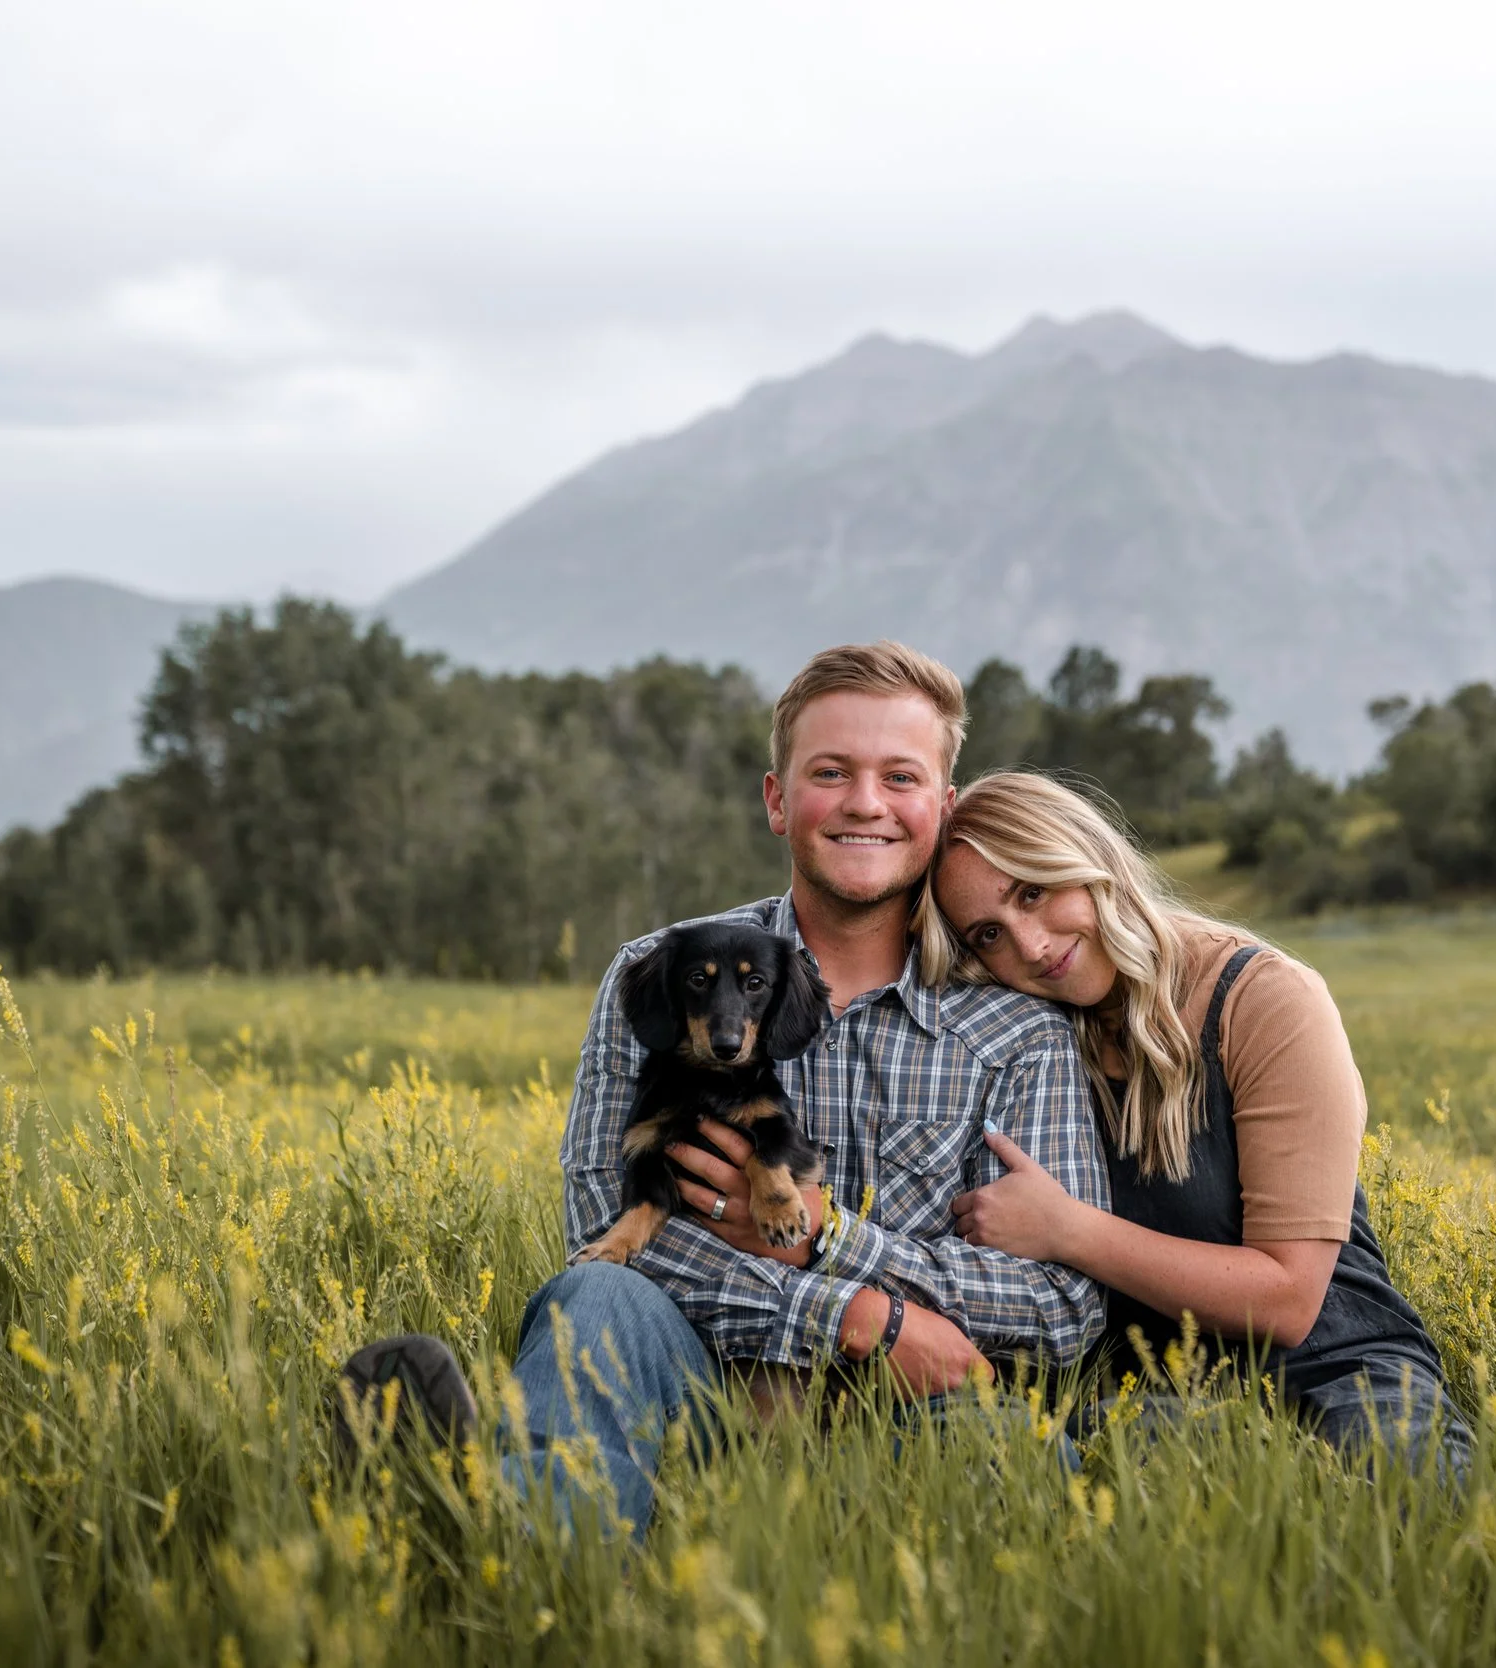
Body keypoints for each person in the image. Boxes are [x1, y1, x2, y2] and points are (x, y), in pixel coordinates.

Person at [334, 644, 1110, 1533]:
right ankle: (511, 1531)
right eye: (830, 772)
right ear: (778, 801)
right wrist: (855, 1313)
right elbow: (603, 1227)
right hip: (703, 1392)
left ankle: (469, 1518)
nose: (865, 802)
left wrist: (840, 1246)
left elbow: (1062, 1307)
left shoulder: (1016, 1031)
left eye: (900, 776)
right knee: (598, 1298)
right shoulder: (662, 975)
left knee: (1010, 1453)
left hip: (918, 1413)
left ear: (944, 806)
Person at [922, 771, 1469, 1475]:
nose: (1029, 946)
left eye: (1034, 891)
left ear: (1091, 860)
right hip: (1145, 1384)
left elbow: (1290, 1299)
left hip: (1334, 1368)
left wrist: (1066, 1229)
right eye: (990, 934)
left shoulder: (1265, 1000)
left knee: (1412, 1507)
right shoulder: (1024, 1039)